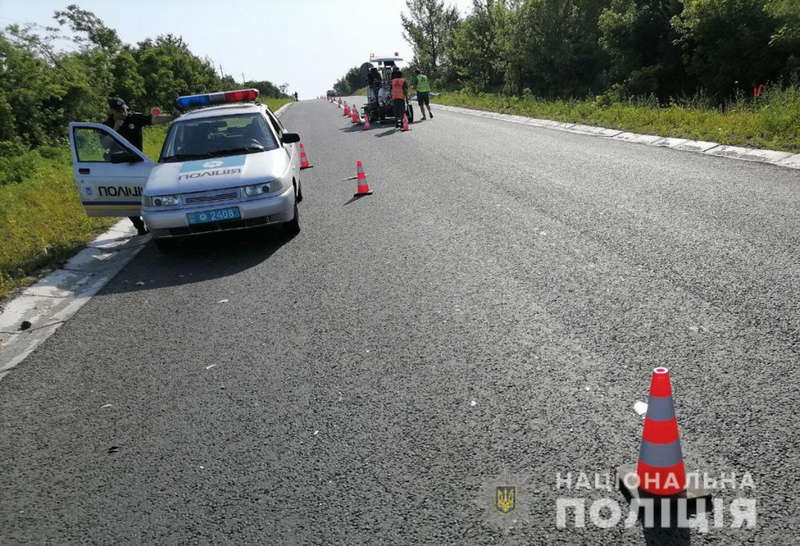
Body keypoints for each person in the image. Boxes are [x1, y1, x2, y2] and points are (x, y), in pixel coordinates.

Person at [103, 97, 171, 235]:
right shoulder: (108, 124)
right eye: (118, 111)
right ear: (112, 111)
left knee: (142, 192)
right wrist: (115, 127)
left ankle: (150, 220)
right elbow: (104, 144)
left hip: (137, 163)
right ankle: (139, 226)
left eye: (123, 109)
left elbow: (154, 119)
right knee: (126, 197)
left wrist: (172, 117)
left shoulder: (135, 118)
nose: (122, 113)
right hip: (119, 165)